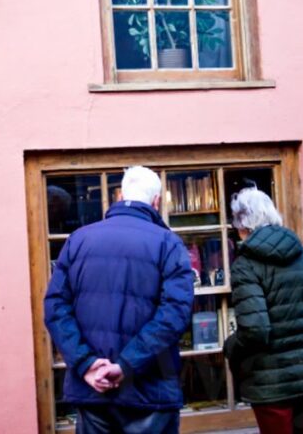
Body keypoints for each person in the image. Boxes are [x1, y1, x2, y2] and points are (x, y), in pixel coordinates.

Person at [44, 166, 194, 434]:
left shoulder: (79, 239)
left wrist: (86, 364)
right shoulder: (168, 243)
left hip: (93, 390)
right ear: (156, 201)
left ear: (121, 194)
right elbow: (175, 315)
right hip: (152, 391)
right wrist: (125, 366)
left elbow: (55, 307)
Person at [224, 187, 303, 434]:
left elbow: (255, 330)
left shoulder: (246, 266)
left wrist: (230, 347)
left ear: (242, 226)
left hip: (271, 386)